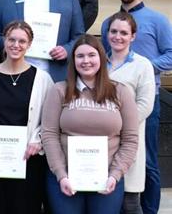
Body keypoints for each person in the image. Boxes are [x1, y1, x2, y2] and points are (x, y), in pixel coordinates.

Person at [100, 0, 172, 214]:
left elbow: (171, 54)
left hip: (145, 103)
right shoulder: (108, 23)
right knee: (114, 160)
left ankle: (148, 210)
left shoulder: (157, 20)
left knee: (147, 163)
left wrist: (143, 66)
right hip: (109, 109)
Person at [41, 34, 139, 214]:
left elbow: (131, 139)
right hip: (66, 179)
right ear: (73, 60)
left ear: (101, 58)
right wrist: (61, 174)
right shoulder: (59, 90)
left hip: (107, 179)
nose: (86, 61)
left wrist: (115, 174)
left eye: (91, 55)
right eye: (80, 56)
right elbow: (49, 135)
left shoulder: (120, 91)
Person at [0, 20, 53, 213]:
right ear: (4, 41)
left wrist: (37, 140)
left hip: (27, 159)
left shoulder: (42, 79)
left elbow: (48, 119)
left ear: (30, 44)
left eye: (22, 41)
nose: (16, 45)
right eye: (11, 39)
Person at [106, 12, 155, 214]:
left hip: (128, 137)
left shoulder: (142, 65)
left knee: (129, 203)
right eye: (114, 31)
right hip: (103, 140)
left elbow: (145, 104)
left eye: (124, 33)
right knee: (106, 199)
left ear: (133, 36)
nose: (118, 36)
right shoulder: (98, 60)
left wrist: (121, 125)